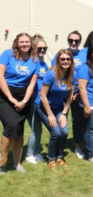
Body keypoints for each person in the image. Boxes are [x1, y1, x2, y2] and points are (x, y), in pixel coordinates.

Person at [0, 33, 38, 174]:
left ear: (31, 44)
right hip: (4, 95)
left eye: (27, 42)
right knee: (12, 125)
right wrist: (10, 98)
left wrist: (25, 101)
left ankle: (17, 163)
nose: (24, 44)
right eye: (21, 42)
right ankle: (2, 162)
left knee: (19, 130)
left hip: (23, 97)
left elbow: (32, 83)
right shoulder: (7, 54)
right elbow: (0, 76)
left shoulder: (34, 60)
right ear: (16, 43)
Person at [36, 49, 74, 169]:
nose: (65, 61)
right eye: (62, 59)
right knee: (56, 133)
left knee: (64, 132)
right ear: (58, 61)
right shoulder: (51, 74)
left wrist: (64, 113)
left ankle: (59, 157)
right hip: (43, 106)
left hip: (59, 108)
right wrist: (50, 115)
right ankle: (51, 159)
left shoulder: (72, 74)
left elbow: (69, 97)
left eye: (68, 59)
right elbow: (42, 95)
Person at [53, 30, 86, 159]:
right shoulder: (61, 54)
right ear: (68, 41)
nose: (73, 43)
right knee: (61, 122)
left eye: (76, 41)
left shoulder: (84, 55)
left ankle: (78, 146)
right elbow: (55, 72)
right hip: (63, 93)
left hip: (78, 93)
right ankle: (57, 147)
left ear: (80, 42)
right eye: (71, 40)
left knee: (78, 121)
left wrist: (77, 93)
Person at [25, 35, 48, 164]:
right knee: (36, 128)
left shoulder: (44, 64)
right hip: (33, 100)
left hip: (42, 100)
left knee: (39, 129)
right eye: (40, 48)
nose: (43, 51)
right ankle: (29, 154)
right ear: (33, 48)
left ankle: (36, 152)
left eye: (45, 48)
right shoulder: (32, 63)